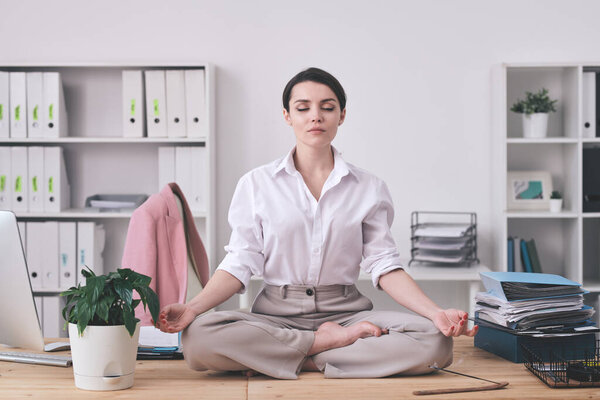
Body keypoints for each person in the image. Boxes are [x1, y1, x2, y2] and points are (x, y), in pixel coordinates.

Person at [156, 67, 478, 379]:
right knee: (198, 337)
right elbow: (240, 261)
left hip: (347, 312)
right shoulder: (256, 184)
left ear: (342, 115)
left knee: (434, 340)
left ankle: (288, 358)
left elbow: (384, 265)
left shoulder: (369, 187)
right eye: (303, 107)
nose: (316, 116)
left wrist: (436, 313)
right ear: (287, 116)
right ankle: (322, 347)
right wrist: (192, 308)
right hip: (276, 317)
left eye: (327, 107)